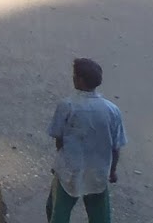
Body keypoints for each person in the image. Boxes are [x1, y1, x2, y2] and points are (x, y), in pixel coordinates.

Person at [46, 57, 126, 223]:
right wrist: (112, 171)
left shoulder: (67, 106)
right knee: (100, 215)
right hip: (98, 172)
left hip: (70, 170)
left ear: (80, 80)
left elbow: (59, 140)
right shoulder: (112, 110)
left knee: (58, 211)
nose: (73, 78)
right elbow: (115, 147)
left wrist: (59, 163)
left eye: (75, 75)